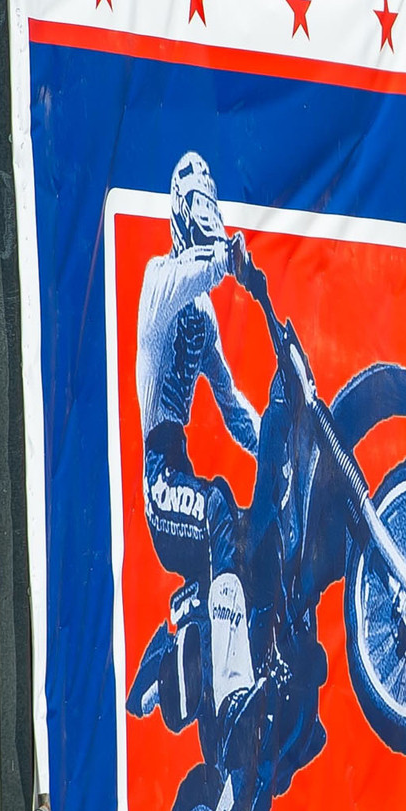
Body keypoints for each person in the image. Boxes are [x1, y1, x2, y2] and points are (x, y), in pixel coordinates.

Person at [136, 152, 268, 765]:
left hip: (181, 464)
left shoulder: (205, 317)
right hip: (159, 474)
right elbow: (198, 271)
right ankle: (230, 685)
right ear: (179, 209)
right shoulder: (159, 281)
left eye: (209, 195)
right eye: (196, 198)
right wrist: (225, 256)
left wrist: (274, 441)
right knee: (217, 506)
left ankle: (177, 653)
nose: (205, 208)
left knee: (242, 527)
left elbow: (231, 402)